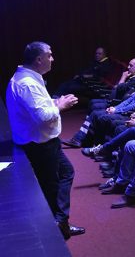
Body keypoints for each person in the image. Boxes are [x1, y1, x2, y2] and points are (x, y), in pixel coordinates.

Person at [6, 41, 84, 239]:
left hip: (43, 142)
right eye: (49, 55)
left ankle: (60, 221)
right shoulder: (28, 84)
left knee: (64, 174)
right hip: (40, 145)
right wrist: (62, 105)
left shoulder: (29, 78)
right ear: (39, 59)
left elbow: (38, 106)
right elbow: (41, 117)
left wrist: (53, 102)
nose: (53, 58)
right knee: (51, 185)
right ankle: (56, 226)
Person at [63, 69, 135, 148]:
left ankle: (97, 146)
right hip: (123, 111)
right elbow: (128, 101)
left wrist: (117, 110)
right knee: (95, 113)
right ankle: (80, 139)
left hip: (131, 115)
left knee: (102, 117)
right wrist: (114, 108)